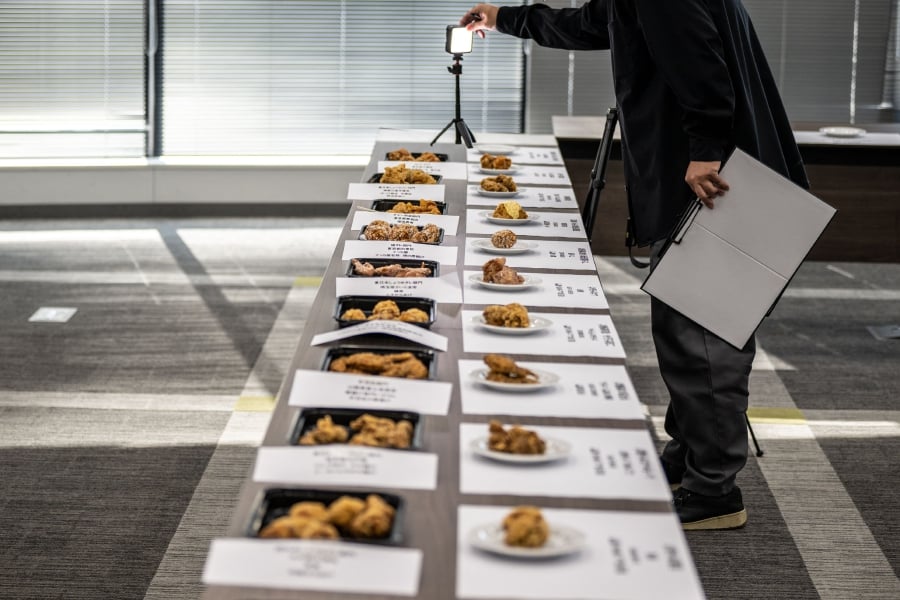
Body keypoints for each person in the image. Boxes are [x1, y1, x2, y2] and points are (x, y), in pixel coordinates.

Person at [461, 1, 808, 530]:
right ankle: (688, 454)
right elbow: (591, 22)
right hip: (711, 175)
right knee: (682, 328)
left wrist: (708, 149)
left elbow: (699, 62)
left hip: (717, 183)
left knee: (703, 339)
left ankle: (714, 489)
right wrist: (504, 17)